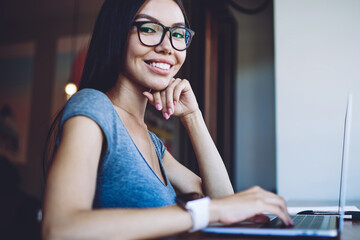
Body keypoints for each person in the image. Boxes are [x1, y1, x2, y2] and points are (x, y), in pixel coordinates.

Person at [42, 0, 293, 239]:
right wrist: (208, 212)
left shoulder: (153, 143)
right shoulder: (94, 106)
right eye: (149, 28)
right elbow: (60, 229)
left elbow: (221, 199)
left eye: (178, 34)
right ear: (116, 33)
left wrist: (193, 117)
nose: (168, 47)